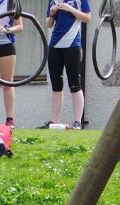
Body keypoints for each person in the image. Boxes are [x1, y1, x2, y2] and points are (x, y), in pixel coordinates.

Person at [46, 0, 90, 130]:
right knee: (56, 86)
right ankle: (53, 121)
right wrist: (52, 14)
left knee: (75, 84)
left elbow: (87, 18)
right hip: (55, 46)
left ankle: (77, 121)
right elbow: (49, 24)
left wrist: (69, 9)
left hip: (72, 45)